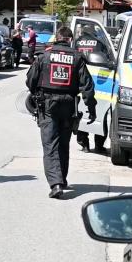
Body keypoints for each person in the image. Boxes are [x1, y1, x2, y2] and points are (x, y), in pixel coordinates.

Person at [26, 27, 96, 199]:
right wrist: (91, 108)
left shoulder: (43, 56)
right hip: (68, 106)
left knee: (50, 144)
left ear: (56, 38)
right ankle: (61, 179)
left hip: (47, 105)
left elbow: (30, 81)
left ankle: (56, 183)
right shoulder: (77, 58)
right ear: (70, 40)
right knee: (63, 144)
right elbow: (87, 86)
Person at [74, 25, 109, 153]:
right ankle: (99, 145)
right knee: (100, 113)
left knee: (80, 112)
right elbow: (107, 59)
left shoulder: (77, 42)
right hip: (98, 80)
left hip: (79, 80)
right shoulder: (99, 42)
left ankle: (84, 145)